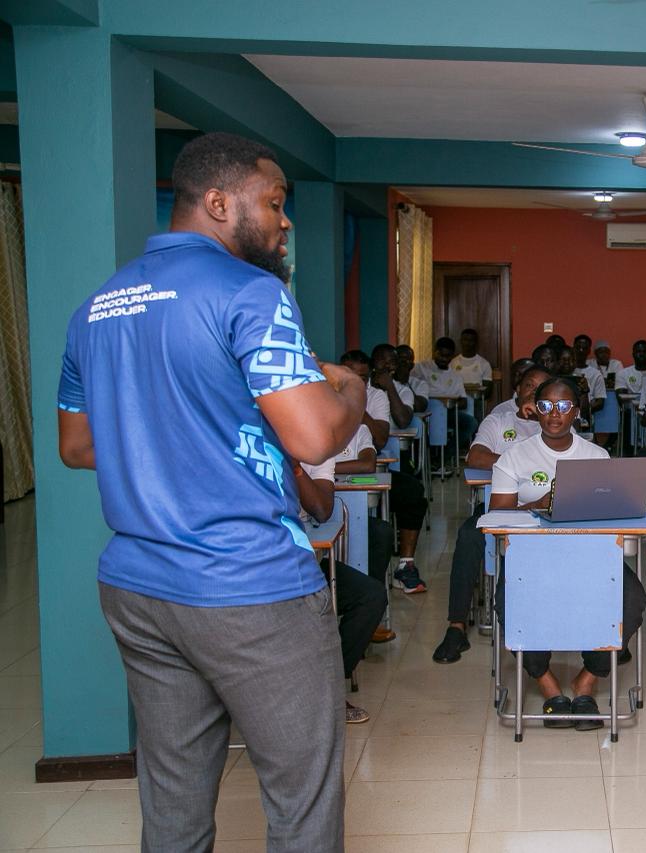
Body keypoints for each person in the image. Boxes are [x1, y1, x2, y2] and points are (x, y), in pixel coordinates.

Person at [57, 132, 365, 851]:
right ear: (220, 202)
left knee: (173, 796)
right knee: (301, 796)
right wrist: (348, 386)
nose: (285, 221)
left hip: (138, 587)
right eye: (276, 203)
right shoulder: (252, 292)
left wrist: (176, 431)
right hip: (248, 584)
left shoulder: (96, 307)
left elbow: (77, 446)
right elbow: (316, 436)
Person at [490, 378, 646, 729]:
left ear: (576, 412)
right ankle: (547, 686)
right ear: (535, 410)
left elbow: (613, 509)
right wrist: (538, 504)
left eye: (563, 407)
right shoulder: (515, 456)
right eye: (545, 406)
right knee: (509, 602)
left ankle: (586, 681)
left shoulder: (596, 455)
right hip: (532, 561)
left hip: (590, 559)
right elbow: (497, 513)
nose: (554, 414)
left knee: (632, 599)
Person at [432, 365, 550, 664]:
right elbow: (476, 457)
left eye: (543, 389)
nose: (535, 393)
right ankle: (456, 626)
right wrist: (524, 467)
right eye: (530, 386)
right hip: (503, 508)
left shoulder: (556, 424)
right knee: (469, 536)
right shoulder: (498, 421)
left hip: (548, 510)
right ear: (518, 389)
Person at [293, 436, 393, 724]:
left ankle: (329, 688)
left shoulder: (315, 446)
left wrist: (293, 466)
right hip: (248, 562)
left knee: (370, 597)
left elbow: (323, 509)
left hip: (301, 556)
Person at [342, 349, 428, 594]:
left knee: (412, 492)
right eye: (348, 376)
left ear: (369, 376)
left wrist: (357, 403)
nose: (355, 382)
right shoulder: (325, 396)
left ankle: (405, 565)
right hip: (327, 475)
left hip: (366, 470)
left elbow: (379, 439)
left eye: (361, 378)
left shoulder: (376, 396)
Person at [412, 336, 476, 467]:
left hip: (448, 412)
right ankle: (424, 458)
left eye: (447, 356)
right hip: (426, 411)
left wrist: (450, 404)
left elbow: (464, 401)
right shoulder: (421, 368)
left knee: (471, 423)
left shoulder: (455, 376)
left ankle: (443, 456)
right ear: (435, 352)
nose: (443, 359)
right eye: (441, 354)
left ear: (452, 356)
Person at [450, 327, 494, 399]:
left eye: (471, 340)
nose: (467, 343)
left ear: (476, 343)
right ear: (460, 341)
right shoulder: (452, 363)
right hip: (457, 402)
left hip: (477, 402)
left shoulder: (484, 364)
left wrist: (472, 396)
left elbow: (487, 392)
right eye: (465, 340)